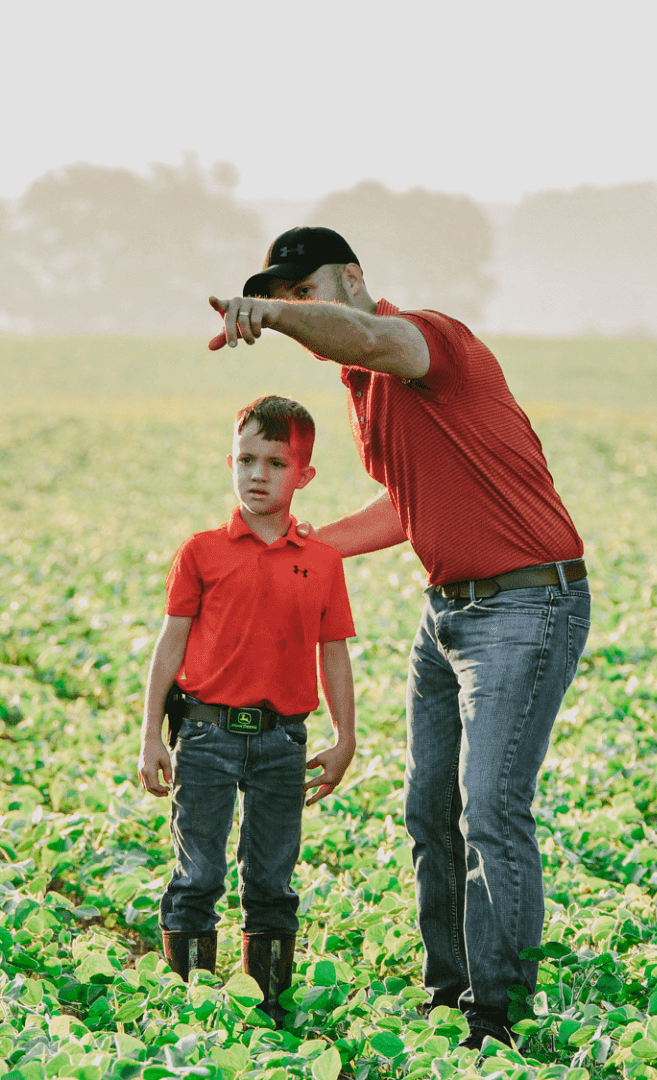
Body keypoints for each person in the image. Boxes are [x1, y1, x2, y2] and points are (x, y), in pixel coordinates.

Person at [206, 226, 592, 1051]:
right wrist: (308, 546)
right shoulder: (360, 387)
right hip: (447, 612)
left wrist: (266, 316)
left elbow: (375, 336)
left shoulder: (423, 339)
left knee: (489, 807)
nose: (295, 308)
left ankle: (501, 1012)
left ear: (350, 278)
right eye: (283, 296)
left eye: (303, 293)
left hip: (526, 604)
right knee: (430, 810)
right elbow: (405, 504)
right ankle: (449, 992)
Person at [137, 394, 358, 1030]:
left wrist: (344, 738)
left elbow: (334, 652)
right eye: (245, 460)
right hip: (204, 734)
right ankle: (191, 1010)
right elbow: (169, 644)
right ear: (230, 464)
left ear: (303, 475)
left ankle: (265, 1010)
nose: (257, 474)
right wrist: (151, 734)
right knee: (198, 872)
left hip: (281, 743)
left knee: (270, 881)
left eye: (275, 463)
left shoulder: (321, 561)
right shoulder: (202, 551)